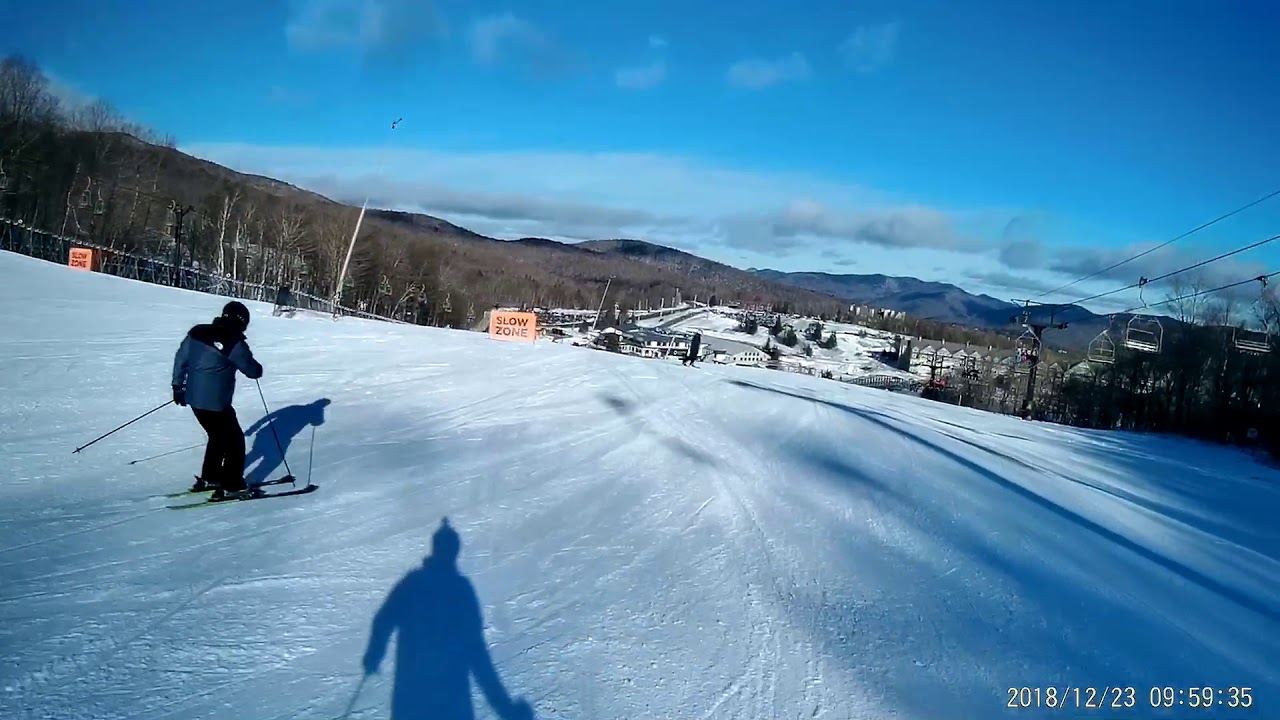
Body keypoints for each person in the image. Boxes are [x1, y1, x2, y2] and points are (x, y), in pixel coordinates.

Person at [172, 300, 263, 499]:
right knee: (234, 441)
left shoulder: (197, 332)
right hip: (216, 404)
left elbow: (181, 358)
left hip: (193, 400)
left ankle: (211, 477)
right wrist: (258, 369)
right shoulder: (234, 342)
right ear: (242, 322)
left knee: (217, 436)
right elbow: (251, 370)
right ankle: (232, 485)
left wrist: (177, 386)